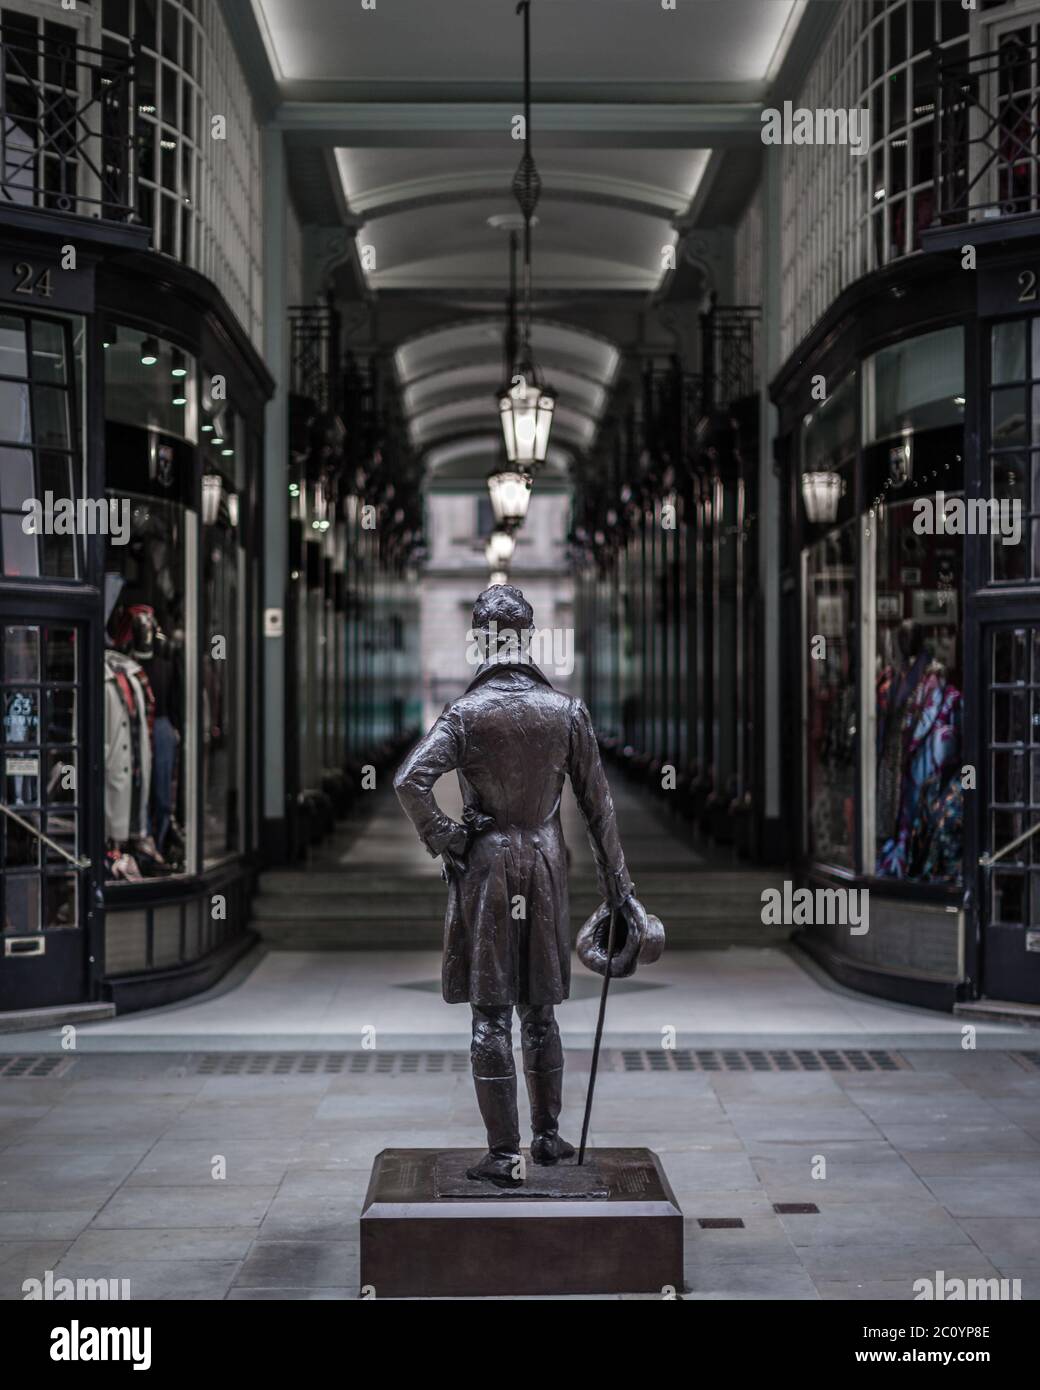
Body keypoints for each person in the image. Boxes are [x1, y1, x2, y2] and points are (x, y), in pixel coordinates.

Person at [394, 585, 647, 1186]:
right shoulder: (566, 712)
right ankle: (549, 1138)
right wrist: (621, 891)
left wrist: (449, 838)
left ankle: (505, 1155)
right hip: (546, 861)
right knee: (542, 1011)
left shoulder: (466, 714)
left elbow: (410, 781)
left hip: (487, 868)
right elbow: (599, 810)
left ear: (481, 639)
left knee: (490, 1015)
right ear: (528, 638)